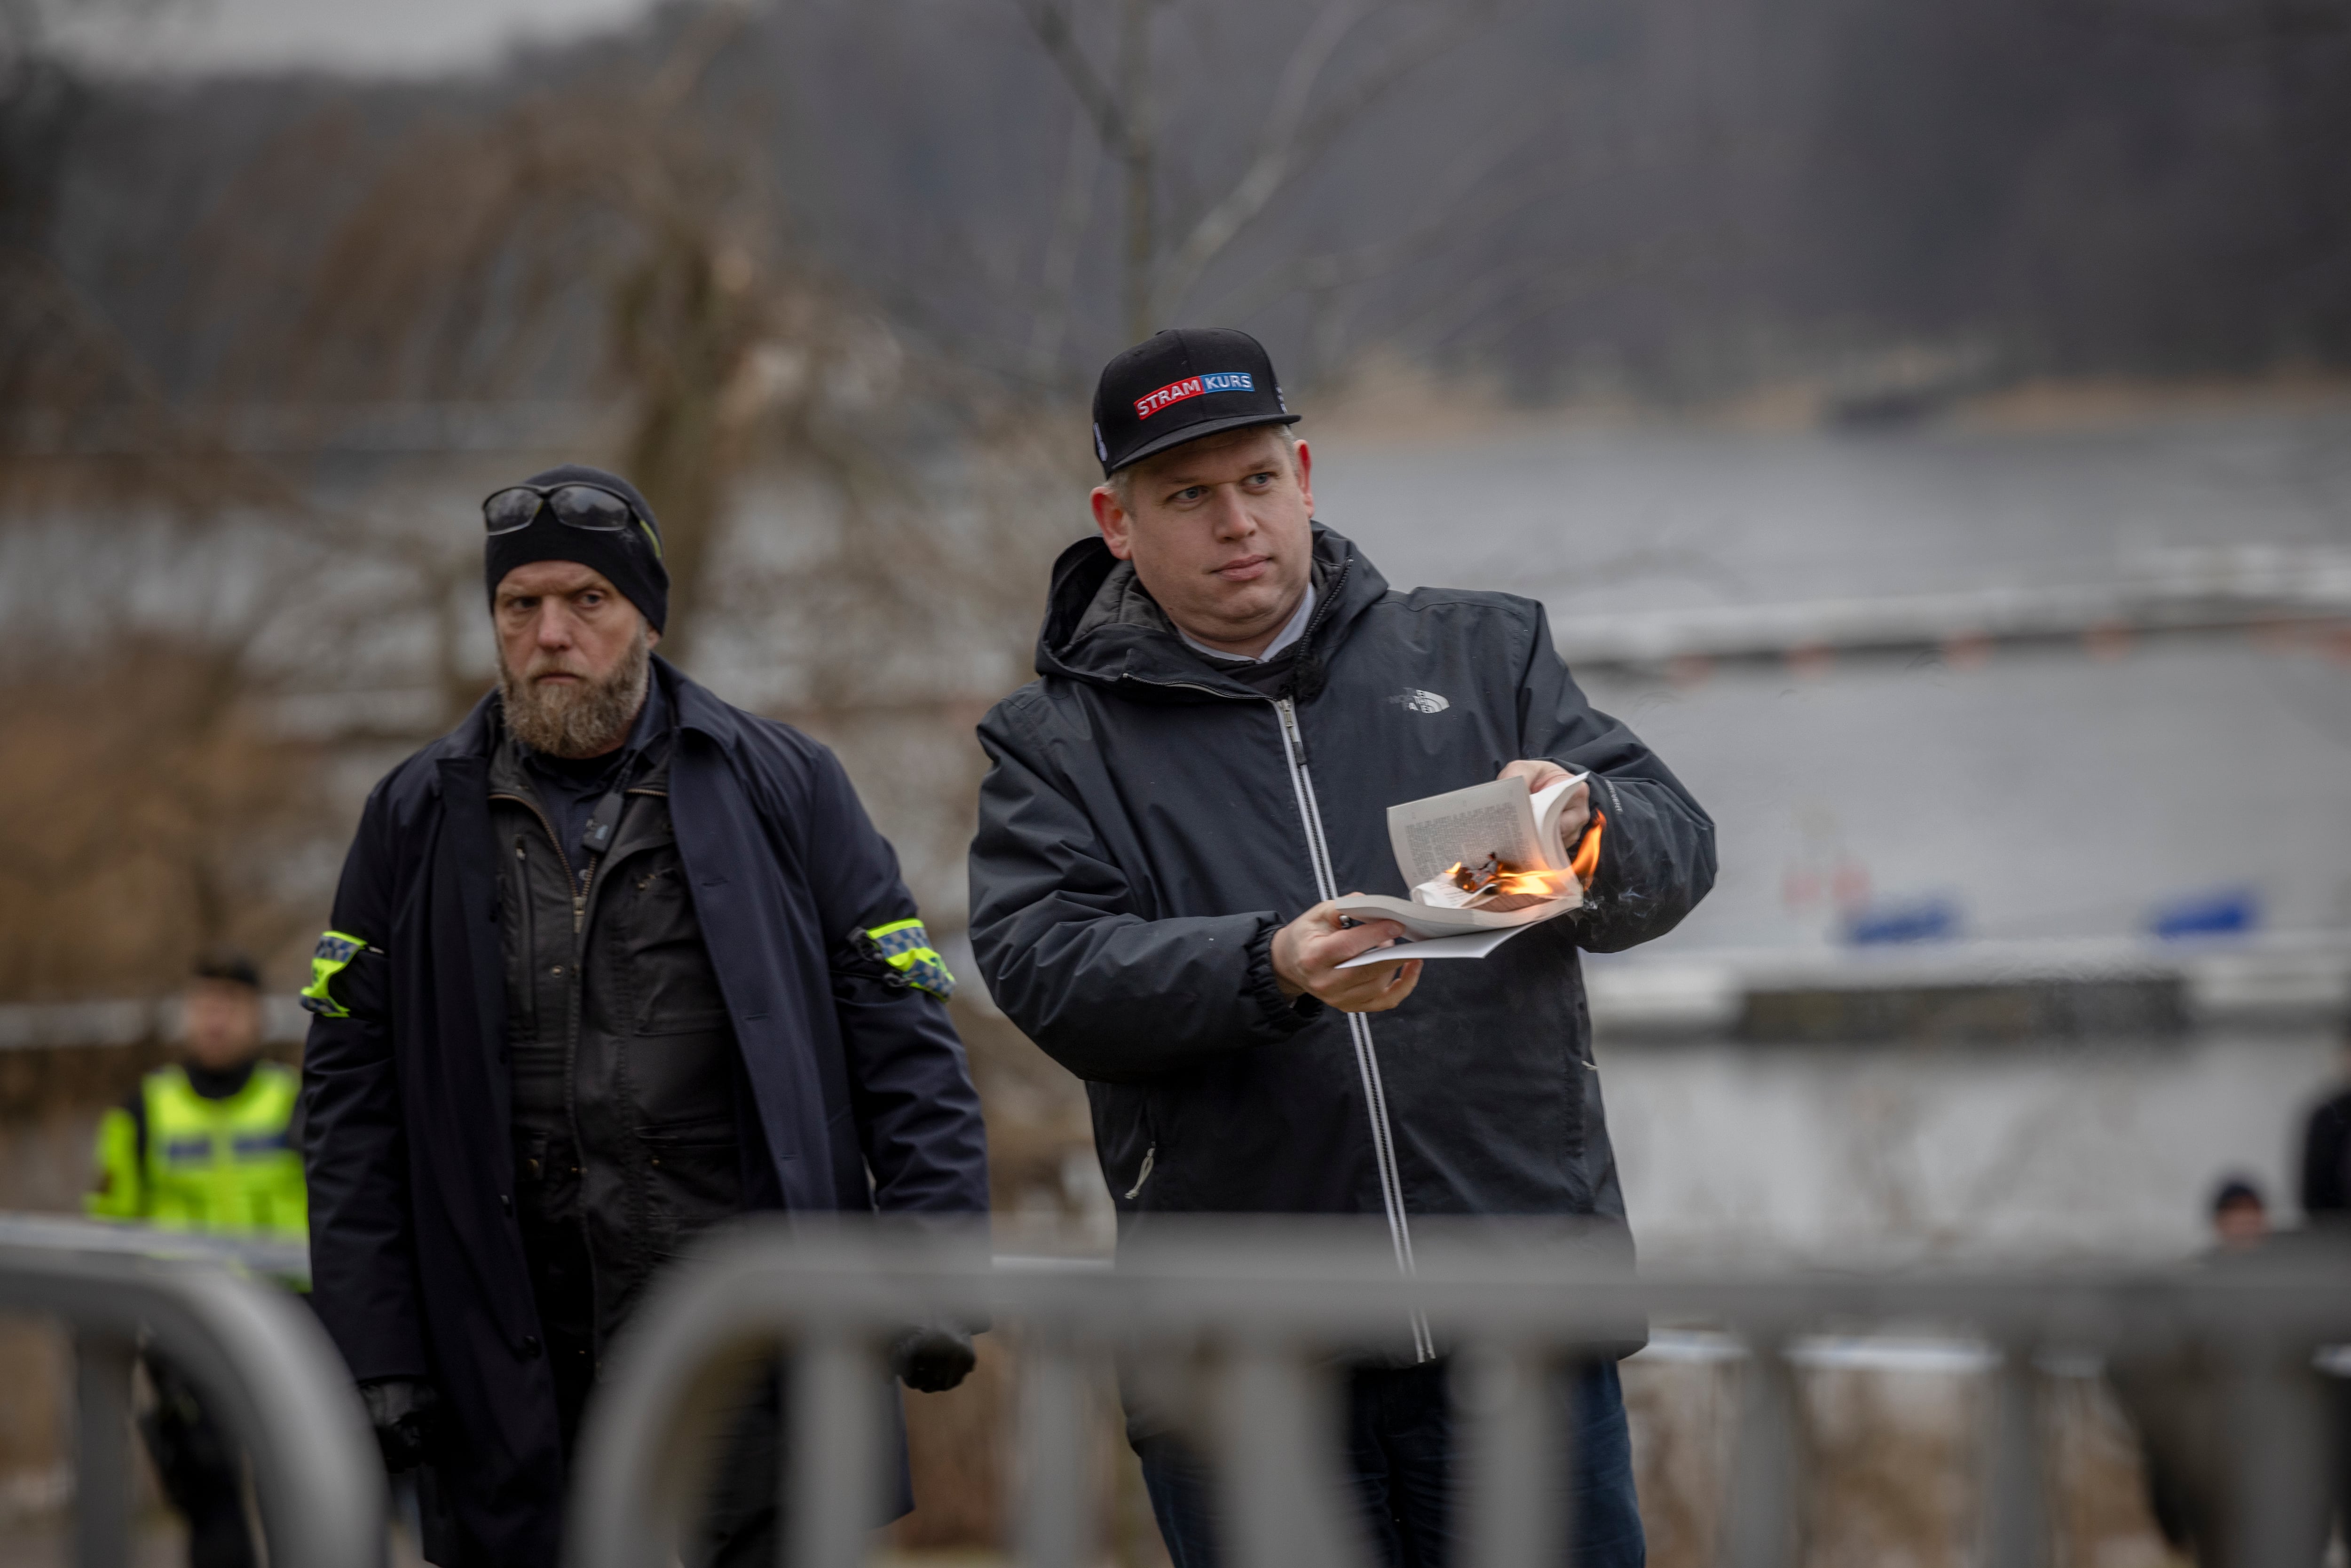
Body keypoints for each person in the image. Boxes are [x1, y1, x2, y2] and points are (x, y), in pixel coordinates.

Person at [968, 329, 1716, 1566]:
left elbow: (1677, 853)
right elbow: (1046, 967)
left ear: (1306, 475)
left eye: (1258, 481)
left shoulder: (1485, 657)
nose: (1236, 523)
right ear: (1117, 518)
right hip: (1243, 1357)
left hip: (1517, 1312)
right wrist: (1266, 968)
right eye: (1188, 496)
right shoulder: (1055, 745)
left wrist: (1595, 834)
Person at [300, 465, 991, 1568]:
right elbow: (349, 1103)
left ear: (648, 619)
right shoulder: (411, 814)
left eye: (588, 601)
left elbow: (906, 1042)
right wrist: (375, 1347)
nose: (551, 633)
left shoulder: (787, 784)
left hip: (752, 1345)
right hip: (513, 1359)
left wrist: (933, 1271)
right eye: (520, 606)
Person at [88, 949, 303, 1568]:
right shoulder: (145, 1109)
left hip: (287, 1323)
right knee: (209, 1505)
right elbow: (111, 1224)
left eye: (230, 1006)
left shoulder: (295, 1102)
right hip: (185, 1329)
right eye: (204, 1004)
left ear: (257, 1018)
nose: (215, 1020)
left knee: (299, 1499)